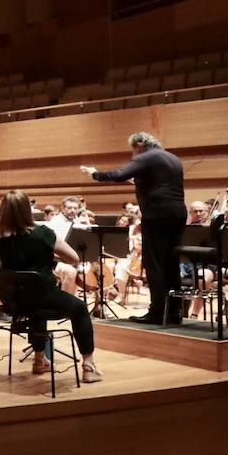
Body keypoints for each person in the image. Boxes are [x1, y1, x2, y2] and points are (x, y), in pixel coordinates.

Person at [0, 189, 102, 382]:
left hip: (13, 302)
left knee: (33, 302)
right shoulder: (43, 233)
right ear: (27, 210)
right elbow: (73, 258)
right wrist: (49, 253)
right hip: (42, 296)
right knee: (80, 308)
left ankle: (40, 359)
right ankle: (89, 366)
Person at [82, 132, 185, 325]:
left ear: (139, 144)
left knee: (153, 263)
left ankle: (157, 312)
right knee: (171, 263)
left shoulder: (147, 157)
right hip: (178, 214)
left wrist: (95, 173)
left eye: (133, 150)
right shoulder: (173, 158)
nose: (133, 155)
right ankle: (174, 311)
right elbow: (158, 183)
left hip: (157, 215)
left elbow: (119, 174)